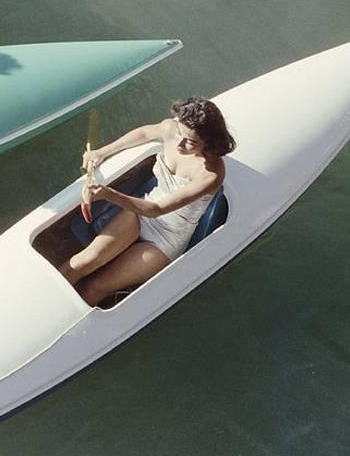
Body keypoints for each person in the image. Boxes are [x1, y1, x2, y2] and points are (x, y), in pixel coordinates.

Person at [60, 97, 235, 305]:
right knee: (81, 263)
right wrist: (101, 152)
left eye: (191, 142)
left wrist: (107, 194)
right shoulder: (171, 129)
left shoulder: (211, 173)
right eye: (180, 132)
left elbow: (157, 209)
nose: (180, 143)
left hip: (165, 239)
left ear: (209, 142)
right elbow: (143, 133)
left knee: (94, 288)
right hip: (140, 213)